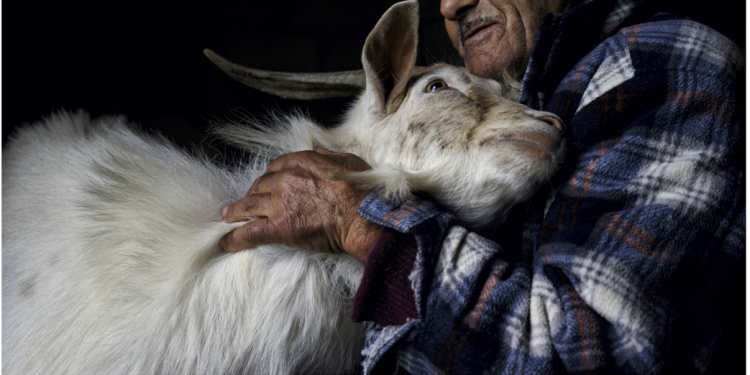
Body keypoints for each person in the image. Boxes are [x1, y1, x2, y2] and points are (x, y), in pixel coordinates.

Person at [219, 0, 745, 373]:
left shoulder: (656, 59)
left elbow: (593, 357)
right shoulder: (547, 101)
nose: (451, 6)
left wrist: (368, 229)